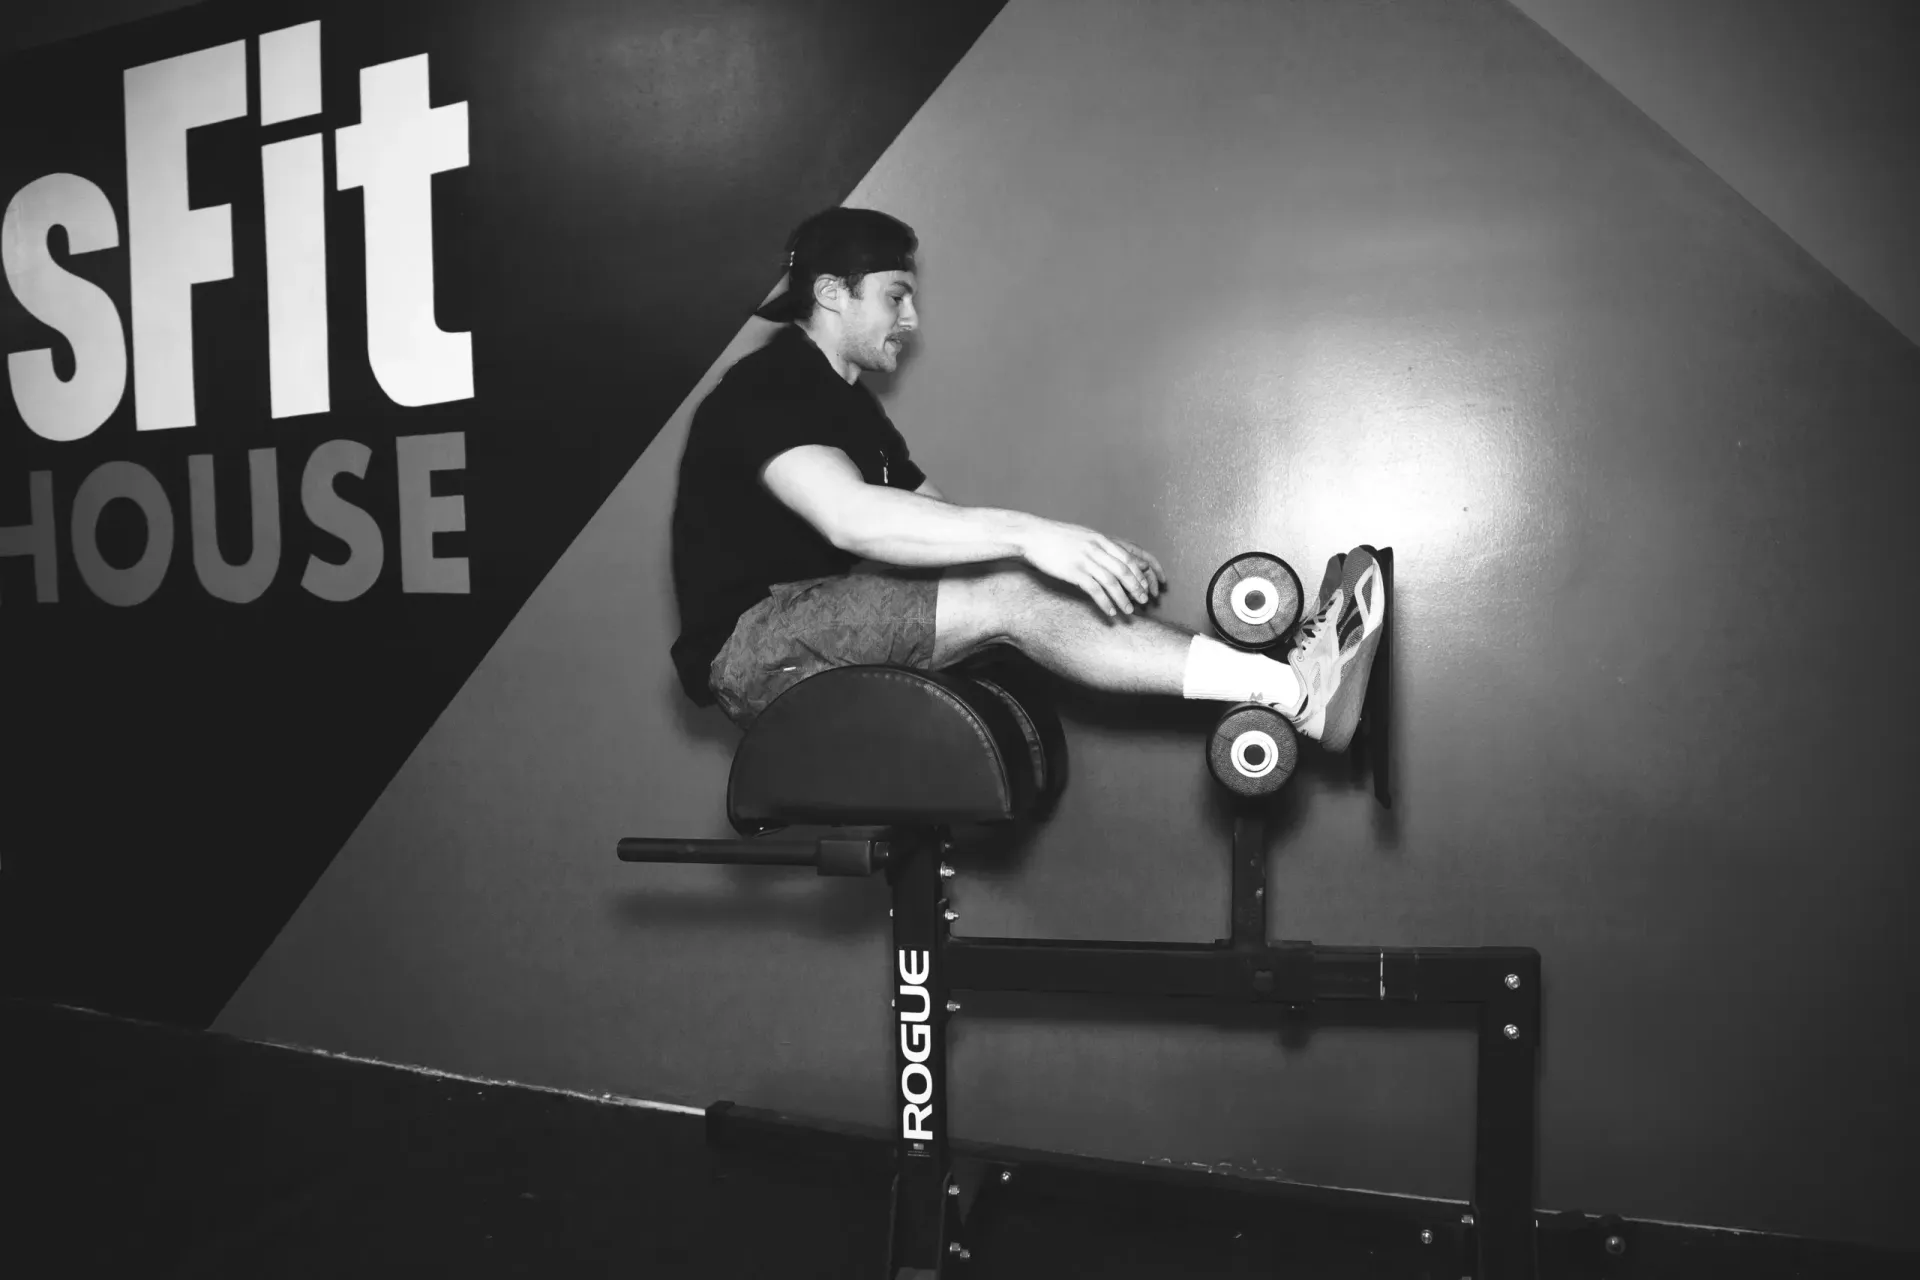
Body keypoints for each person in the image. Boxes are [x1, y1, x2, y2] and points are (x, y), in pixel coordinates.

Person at [669, 207, 1386, 748]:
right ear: (831, 292)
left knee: (1026, 588)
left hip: (817, 618)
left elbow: (943, 530)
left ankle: (1280, 677)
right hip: (756, 646)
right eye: (895, 296)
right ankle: (1294, 691)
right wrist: (1030, 538)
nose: (912, 319)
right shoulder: (766, 386)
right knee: (1015, 585)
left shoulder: (851, 408)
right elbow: (849, 518)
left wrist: (1072, 564)